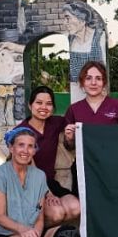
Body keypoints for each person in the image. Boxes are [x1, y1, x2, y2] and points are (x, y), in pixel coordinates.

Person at [63, 59, 118, 237]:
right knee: (88, 223)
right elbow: (69, 146)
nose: (93, 82)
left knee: (109, 222)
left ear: (104, 82)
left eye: (98, 78)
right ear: (82, 83)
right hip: (83, 173)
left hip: (111, 174)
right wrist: (69, 136)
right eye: (89, 78)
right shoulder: (74, 109)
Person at [25, 85, 79, 228]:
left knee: (75, 208)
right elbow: (30, 167)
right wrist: (47, 193)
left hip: (51, 181)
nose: (44, 107)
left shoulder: (55, 123)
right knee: (57, 214)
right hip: (31, 185)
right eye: (39, 103)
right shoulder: (21, 132)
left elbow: (76, 123)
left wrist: (70, 136)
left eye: (48, 104)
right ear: (30, 105)